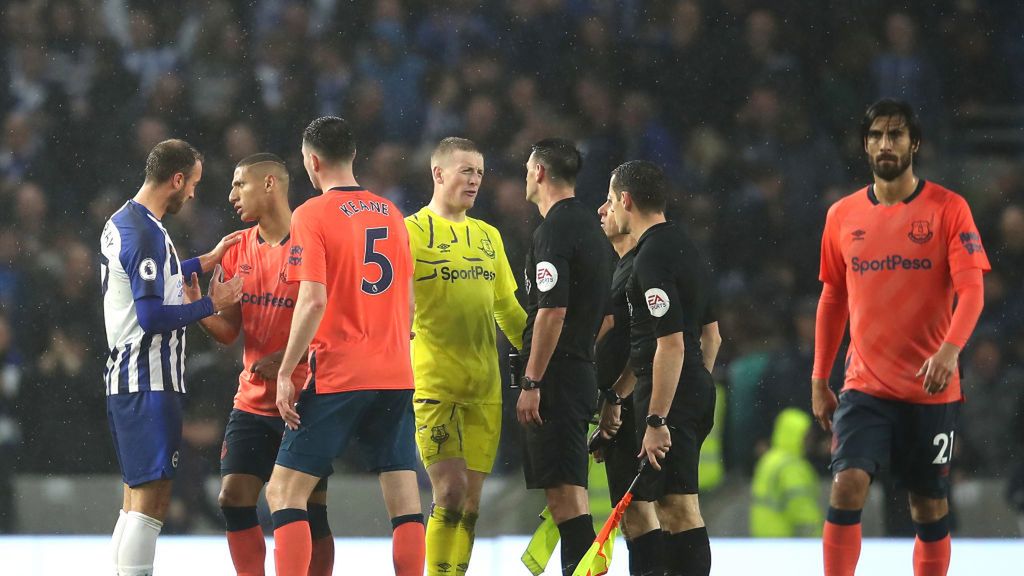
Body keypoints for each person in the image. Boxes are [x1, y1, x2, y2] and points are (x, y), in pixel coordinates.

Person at [812, 98, 990, 576]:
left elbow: (972, 292)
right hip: (864, 388)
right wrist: (819, 378)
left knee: (927, 507)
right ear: (865, 145)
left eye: (895, 135)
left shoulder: (949, 209)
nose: (885, 144)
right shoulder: (842, 215)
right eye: (876, 136)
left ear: (915, 143)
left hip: (929, 391)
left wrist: (950, 351)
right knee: (847, 484)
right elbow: (832, 300)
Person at [264, 116, 424, 576]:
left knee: (284, 493)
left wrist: (285, 372)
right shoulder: (391, 212)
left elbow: (312, 299)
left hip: (340, 372)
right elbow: (408, 301)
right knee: (404, 500)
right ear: (352, 157)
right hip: (395, 371)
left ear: (312, 162)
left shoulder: (311, 214)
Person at [185, 153, 334, 575]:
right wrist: (199, 308)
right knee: (232, 497)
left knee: (309, 508)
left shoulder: (313, 241)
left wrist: (292, 356)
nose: (232, 195)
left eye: (240, 185)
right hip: (251, 399)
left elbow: (338, 322)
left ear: (270, 183)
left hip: (306, 398)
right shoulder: (237, 248)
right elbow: (229, 331)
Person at [101, 139, 243, 576]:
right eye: (194, 184)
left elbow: (154, 284)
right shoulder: (145, 233)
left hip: (130, 379)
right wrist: (212, 305)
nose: (194, 194)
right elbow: (150, 316)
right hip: (148, 379)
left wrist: (205, 260)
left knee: (135, 499)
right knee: (151, 500)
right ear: (176, 179)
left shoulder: (127, 221)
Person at [406, 137, 526, 576]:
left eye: (479, 171)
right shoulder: (409, 232)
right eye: (465, 170)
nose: (475, 179)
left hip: (485, 389)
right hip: (435, 386)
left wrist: (541, 359)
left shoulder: (489, 237)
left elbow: (508, 311)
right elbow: (390, 306)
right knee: (450, 493)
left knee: (470, 504)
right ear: (438, 174)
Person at [605, 159, 722, 576]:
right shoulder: (685, 246)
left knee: (678, 508)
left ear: (626, 200)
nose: (610, 210)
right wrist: (696, 387)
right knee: (673, 506)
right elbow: (712, 336)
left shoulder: (650, 256)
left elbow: (668, 343)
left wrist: (658, 417)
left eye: (610, 200)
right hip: (688, 388)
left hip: (669, 395)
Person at [516, 138, 612, 576]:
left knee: (566, 497)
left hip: (555, 377)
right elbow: (608, 317)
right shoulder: (593, 229)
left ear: (538, 172)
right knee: (568, 493)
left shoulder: (553, 230)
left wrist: (533, 381)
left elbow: (551, 310)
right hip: (578, 370)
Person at [592, 194, 665, 575]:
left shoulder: (640, 266)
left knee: (639, 511)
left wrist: (616, 397)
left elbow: (649, 342)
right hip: (625, 403)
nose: (602, 211)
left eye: (608, 203)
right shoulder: (622, 267)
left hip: (632, 404)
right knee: (634, 513)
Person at [750, 408, 823, 538]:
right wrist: (815, 539)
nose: (810, 442)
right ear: (796, 435)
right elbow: (802, 510)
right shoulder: (792, 467)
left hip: (765, 536)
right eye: (806, 436)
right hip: (788, 541)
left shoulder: (769, 459)